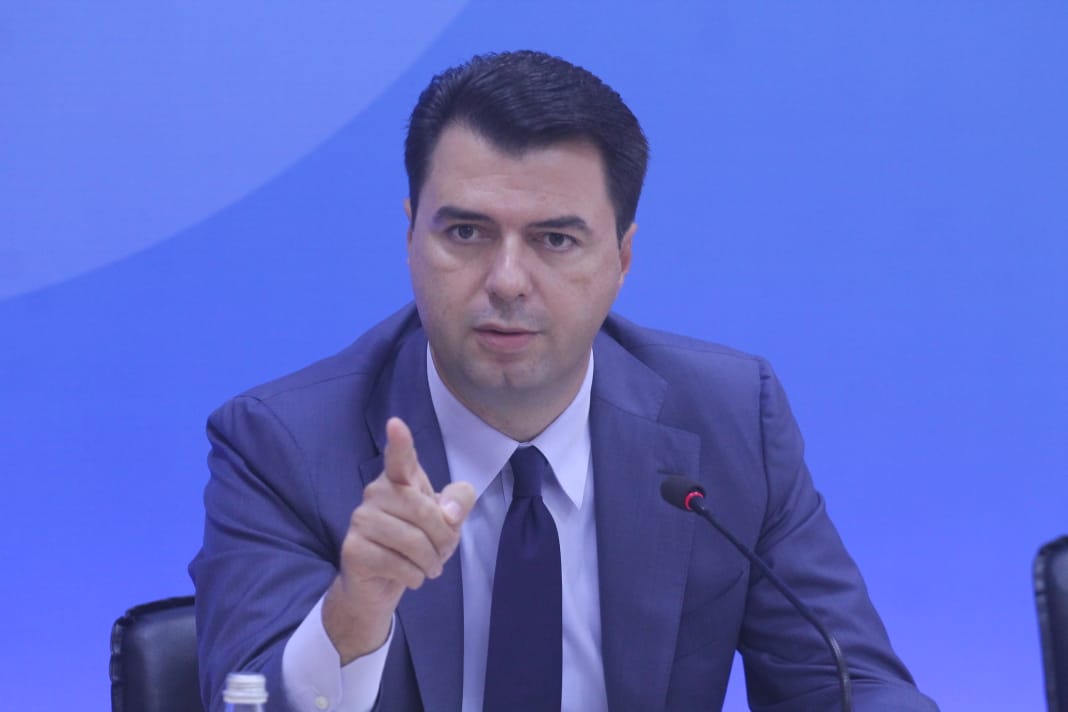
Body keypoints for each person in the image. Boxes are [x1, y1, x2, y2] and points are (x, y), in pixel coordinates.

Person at [190, 50, 938, 711]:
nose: (507, 281)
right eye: (466, 232)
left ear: (622, 259)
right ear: (411, 234)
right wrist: (355, 613)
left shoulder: (732, 419)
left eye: (555, 239)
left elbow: (850, 683)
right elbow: (244, 700)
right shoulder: (283, 444)